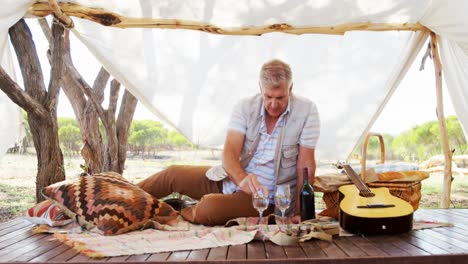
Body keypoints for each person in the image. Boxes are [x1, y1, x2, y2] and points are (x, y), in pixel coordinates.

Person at [137, 59, 320, 226]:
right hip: (230, 180)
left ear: (290, 88)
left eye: (280, 97)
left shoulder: (307, 111)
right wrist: (242, 180)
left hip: (266, 199)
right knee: (172, 174)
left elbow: (305, 165)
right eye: (268, 97)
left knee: (207, 208)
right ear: (260, 88)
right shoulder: (245, 107)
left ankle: (170, 211)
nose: (273, 104)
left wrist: (299, 211)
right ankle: (117, 197)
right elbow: (229, 154)